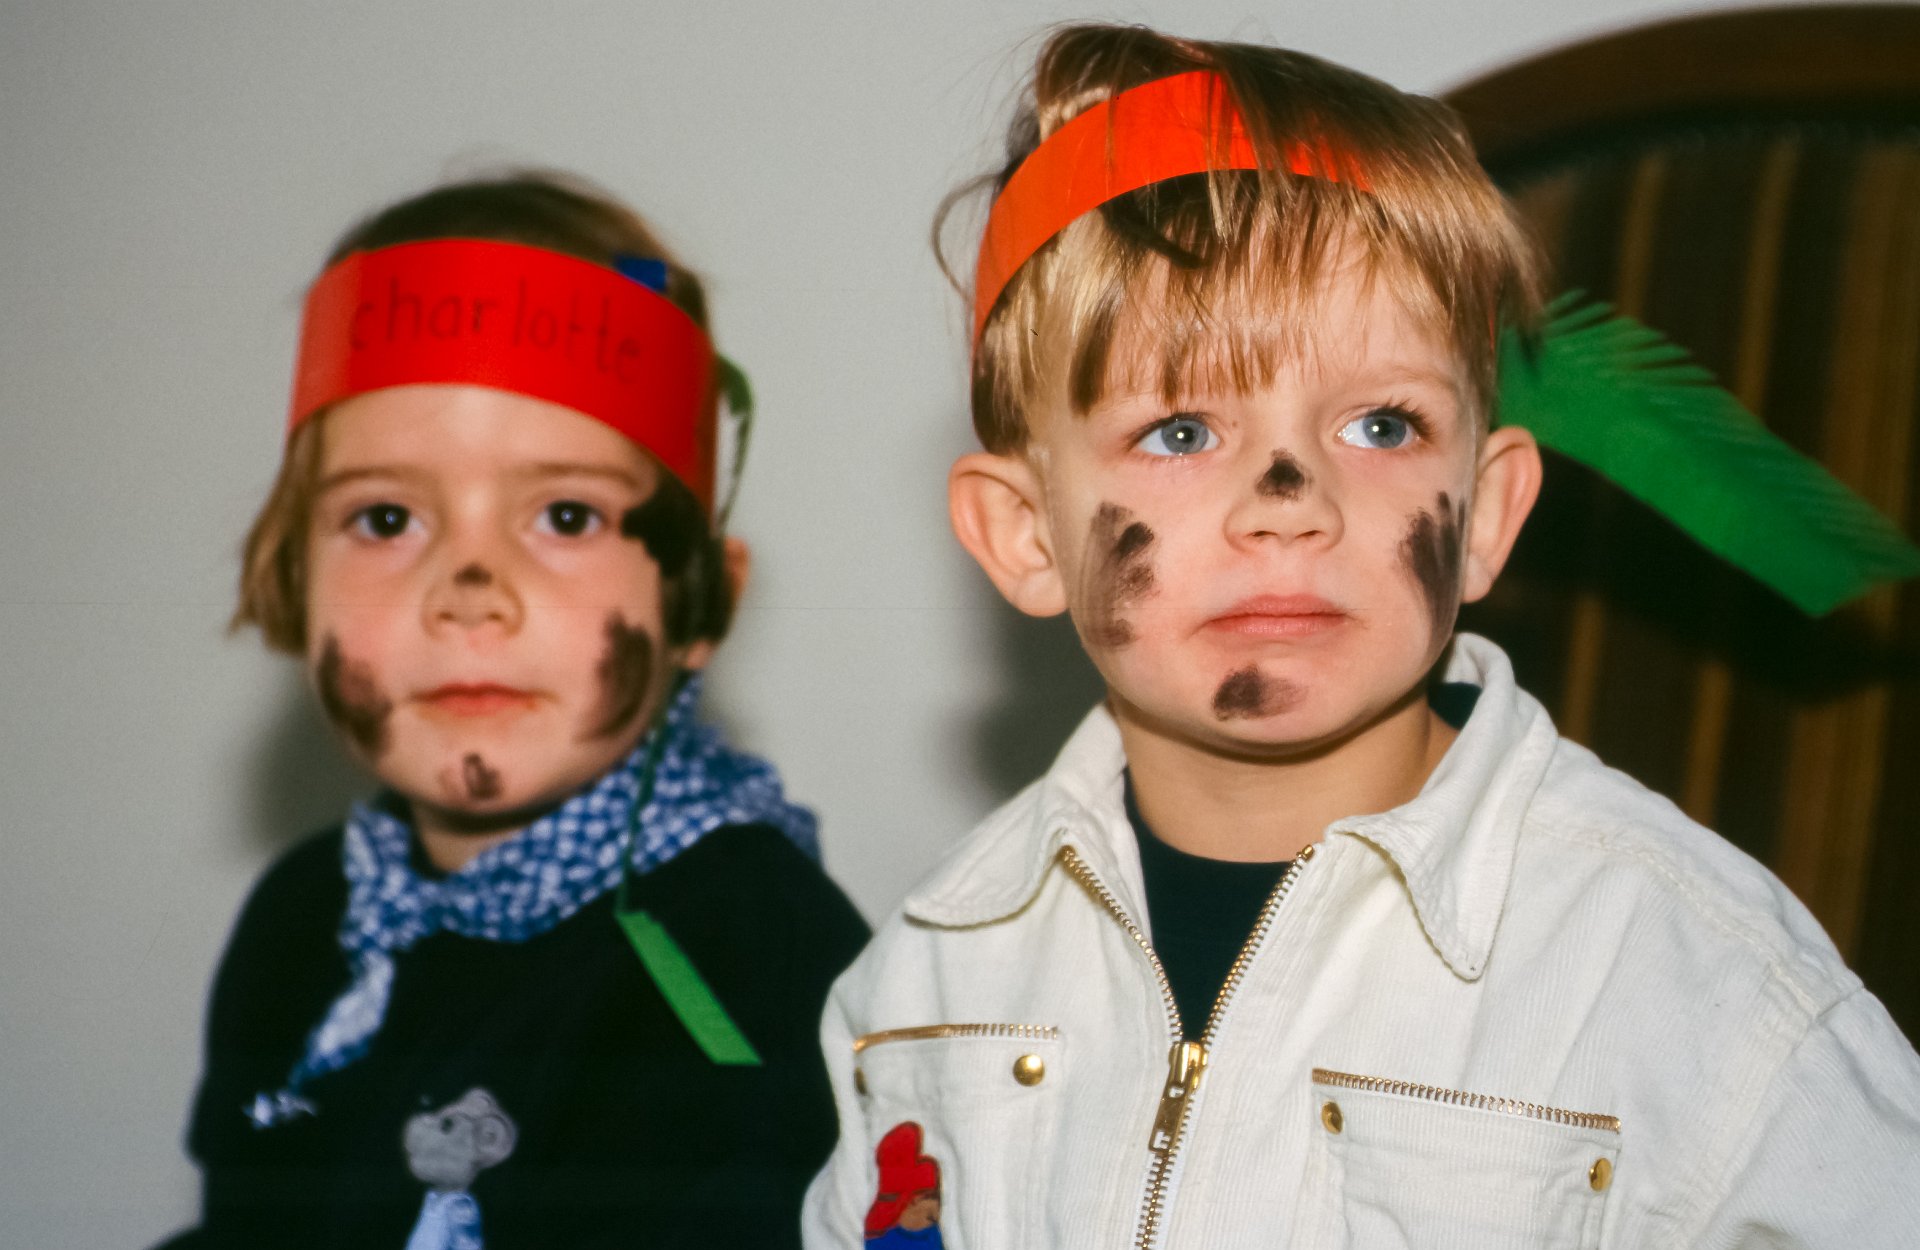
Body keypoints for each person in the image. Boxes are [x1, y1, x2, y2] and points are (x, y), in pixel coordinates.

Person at [802, 24, 1920, 1249]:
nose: (1292, 502)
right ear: (1025, 534)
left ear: (1487, 512)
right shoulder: (931, 980)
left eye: (1382, 426)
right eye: (1181, 431)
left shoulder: (1693, 979)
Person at [159, 171, 869, 1250]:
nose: (469, 588)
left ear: (703, 599)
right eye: (386, 518)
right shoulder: (306, 918)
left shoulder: (746, 951)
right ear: (293, 582)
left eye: (567, 515)